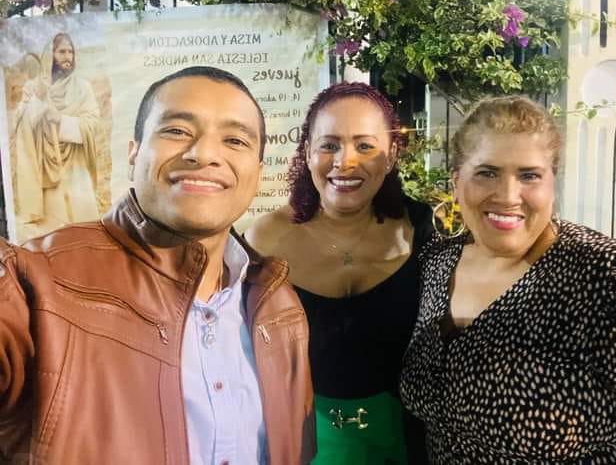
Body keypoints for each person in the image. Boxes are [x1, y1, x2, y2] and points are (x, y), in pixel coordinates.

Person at [0, 66, 316, 464]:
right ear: (133, 153)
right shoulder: (35, 282)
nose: (203, 154)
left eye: (235, 140)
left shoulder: (278, 305)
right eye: (177, 131)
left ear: (258, 172)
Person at [400, 95, 616, 463]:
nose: (508, 196)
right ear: (457, 182)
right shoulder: (437, 263)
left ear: (552, 183)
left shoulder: (613, 281)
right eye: (487, 172)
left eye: (529, 175)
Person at [246, 82, 432, 464]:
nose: (345, 162)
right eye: (329, 145)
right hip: (300, 444)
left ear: (391, 155)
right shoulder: (262, 242)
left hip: (408, 445)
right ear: (307, 153)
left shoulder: (421, 232)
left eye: (365, 146)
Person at [13, 33, 101, 240]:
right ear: (49, 56)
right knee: (53, 235)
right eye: (62, 52)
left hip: (76, 170)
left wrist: (61, 120)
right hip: (47, 171)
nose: (67, 57)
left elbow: (93, 125)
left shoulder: (83, 88)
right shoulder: (33, 88)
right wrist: (39, 99)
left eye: (70, 52)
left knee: (84, 232)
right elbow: (23, 126)